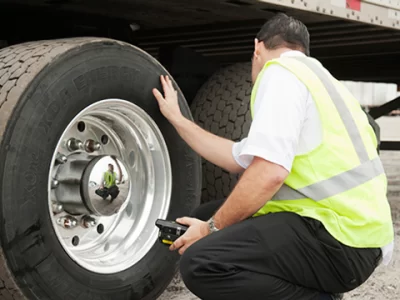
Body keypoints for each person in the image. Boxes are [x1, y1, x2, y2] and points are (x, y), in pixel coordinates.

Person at [152, 13, 394, 300]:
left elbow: (269, 173)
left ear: (257, 48)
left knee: (202, 263)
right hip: (352, 232)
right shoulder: (319, 80)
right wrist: (178, 120)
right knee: (201, 217)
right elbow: (235, 156)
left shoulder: (280, 73)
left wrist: (210, 229)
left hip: (342, 241)